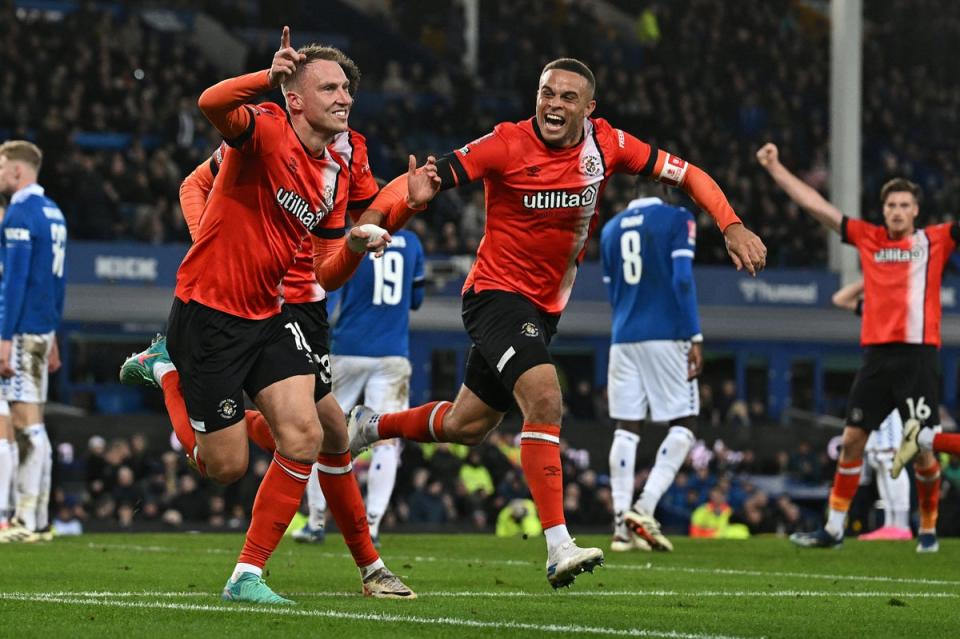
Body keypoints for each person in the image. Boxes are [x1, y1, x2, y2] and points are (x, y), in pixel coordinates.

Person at [348, 57, 766, 588]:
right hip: (494, 296)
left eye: (568, 97)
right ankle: (557, 545)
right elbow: (428, 177)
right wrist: (395, 208)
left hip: (543, 310)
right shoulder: (505, 142)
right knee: (546, 398)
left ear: (589, 109)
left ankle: (371, 425)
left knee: (466, 425)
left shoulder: (608, 146)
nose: (554, 104)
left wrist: (730, 224)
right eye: (547, 93)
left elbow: (689, 175)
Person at [117, 29, 434, 603]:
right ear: (294, 97)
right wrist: (268, 75)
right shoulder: (262, 129)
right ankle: (165, 371)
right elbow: (211, 104)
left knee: (309, 433)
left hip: (272, 312)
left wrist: (372, 234)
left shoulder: (336, 170)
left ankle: (248, 576)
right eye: (330, 88)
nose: (345, 99)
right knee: (226, 467)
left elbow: (324, 270)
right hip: (208, 313)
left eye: (347, 90)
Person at [757, 142, 943, 552]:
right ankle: (834, 528)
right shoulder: (869, 238)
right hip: (876, 358)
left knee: (925, 450)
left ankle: (928, 527)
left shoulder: (935, 242)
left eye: (904, 205)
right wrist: (776, 168)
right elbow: (817, 207)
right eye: (891, 204)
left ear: (916, 212)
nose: (896, 210)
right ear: (884, 210)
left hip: (917, 357)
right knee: (853, 440)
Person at [294, 222, 425, 546]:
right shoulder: (412, 242)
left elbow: (328, 287)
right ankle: (373, 525)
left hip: (349, 349)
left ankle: (316, 521)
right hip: (394, 353)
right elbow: (416, 299)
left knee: (320, 431)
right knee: (386, 438)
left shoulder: (350, 240)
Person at [600, 188, 702, 553]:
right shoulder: (678, 218)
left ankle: (619, 528)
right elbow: (682, 279)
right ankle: (644, 507)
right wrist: (694, 333)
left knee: (627, 427)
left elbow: (612, 293)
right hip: (667, 334)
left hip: (623, 335)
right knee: (685, 422)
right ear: (664, 188)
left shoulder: (610, 229)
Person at [0, 140, 65, 544]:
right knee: (29, 420)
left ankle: (26, 519)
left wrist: (5, 338)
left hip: (21, 331)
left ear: (18, 171)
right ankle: (35, 516)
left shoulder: (21, 214)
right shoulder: (54, 212)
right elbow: (57, 284)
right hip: (42, 329)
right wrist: (54, 331)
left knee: (27, 423)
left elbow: (16, 282)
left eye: (2, 165)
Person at [832, 280, 912, 541]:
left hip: (896, 379)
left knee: (890, 456)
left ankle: (900, 523)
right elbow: (840, 299)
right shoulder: (875, 308)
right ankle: (890, 523)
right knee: (879, 458)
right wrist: (870, 278)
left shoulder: (904, 305)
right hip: (877, 377)